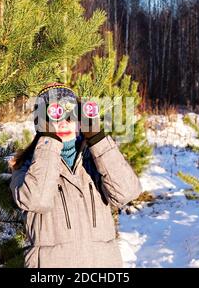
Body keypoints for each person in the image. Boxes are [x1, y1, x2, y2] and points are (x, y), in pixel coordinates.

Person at [9, 82, 142, 268]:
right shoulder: (25, 167)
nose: (64, 121)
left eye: (71, 114)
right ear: (42, 122)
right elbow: (37, 200)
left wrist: (97, 137)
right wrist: (49, 139)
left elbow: (127, 192)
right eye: (55, 114)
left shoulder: (95, 159)